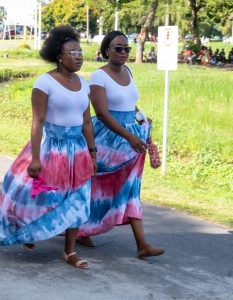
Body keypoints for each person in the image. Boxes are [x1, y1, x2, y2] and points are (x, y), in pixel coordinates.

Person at [0, 25, 97, 270]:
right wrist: (36, 158)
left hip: (78, 150)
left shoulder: (84, 84)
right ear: (58, 56)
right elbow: (38, 121)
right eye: (72, 52)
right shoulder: (45, 82)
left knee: (78, 199)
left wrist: (92, 153)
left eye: (80, 51)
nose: (78, 56)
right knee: (43, 194)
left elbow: (86, 122)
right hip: (52, 148)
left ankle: (69, 251)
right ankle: (28, 230)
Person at [76, 31, 165, 259]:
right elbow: (102, 113)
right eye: (118, 48)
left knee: (131, 187)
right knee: (90, 185)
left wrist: (143, 123)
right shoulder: (98, 77)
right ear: (106, 51)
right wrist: (129, 136)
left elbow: (132, 105)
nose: (124, 52)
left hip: (131, 136)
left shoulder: (128, 71)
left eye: (127, 48)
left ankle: (142, 244)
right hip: (108, 137)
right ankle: (78, 229)